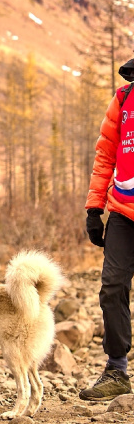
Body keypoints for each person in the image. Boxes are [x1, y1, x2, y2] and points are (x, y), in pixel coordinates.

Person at [80, 58, 134, 401]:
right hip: (122, 212)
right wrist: (93, 207)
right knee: (112, 287)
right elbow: (106, 155)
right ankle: (116, 370)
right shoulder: (124, 99)